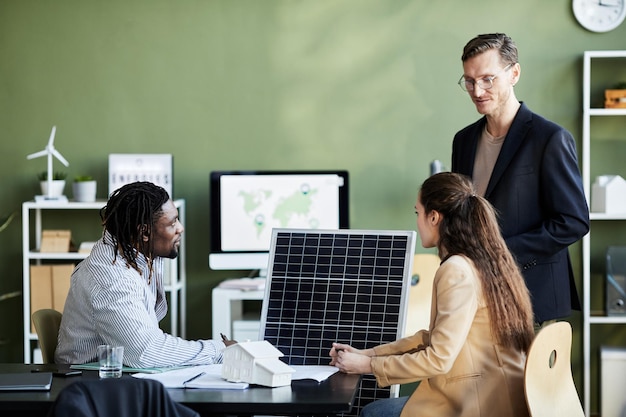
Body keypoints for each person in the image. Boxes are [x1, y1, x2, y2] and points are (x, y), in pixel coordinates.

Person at [330, 172, 534, 417]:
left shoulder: (456, 270)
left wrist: (369, 366)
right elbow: (433, 338)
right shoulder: (485, 261)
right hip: (497, 391)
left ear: (434, 217)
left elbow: (438, 359)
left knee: (374, 413)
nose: (417, 220)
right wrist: (369, 354)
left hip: (478, 402)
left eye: (418, 213)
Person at [451, 33, 589, 325]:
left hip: (531, 295)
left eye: (488, 79)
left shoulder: (549, 138)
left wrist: (499, 252)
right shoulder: (463, 141)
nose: (477, 90)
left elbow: (573, 222)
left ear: (514, 73)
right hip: (476, 295)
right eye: (469, 81)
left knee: (525, 374)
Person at [56, 181, 235, 367]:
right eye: (172, 223)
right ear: (144, 232)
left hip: (117, 375)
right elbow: (147, 353)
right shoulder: (113, 279)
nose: (180, 228)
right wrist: (219, 349)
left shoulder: (132, 254)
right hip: (94, 383)